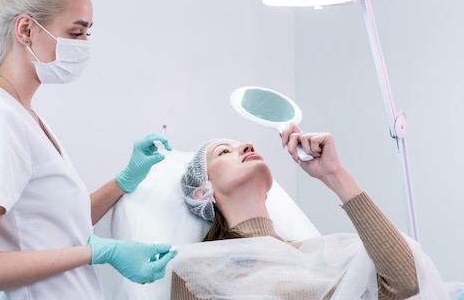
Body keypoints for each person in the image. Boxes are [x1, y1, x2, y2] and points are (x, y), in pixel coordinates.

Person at [0, 0, 177, 299]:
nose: (84, 45)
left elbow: (54, 227)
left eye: (87, 31)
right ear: (25, 30)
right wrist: (100, 252)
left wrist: (124, 180)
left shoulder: (21, 114)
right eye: (75, 31)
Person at [171, 123, 449, 299]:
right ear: (202, 192)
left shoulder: (323, 256)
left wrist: (333, 173)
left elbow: (405, 283)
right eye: (223, 152)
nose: (247, 146)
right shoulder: (196, 268)